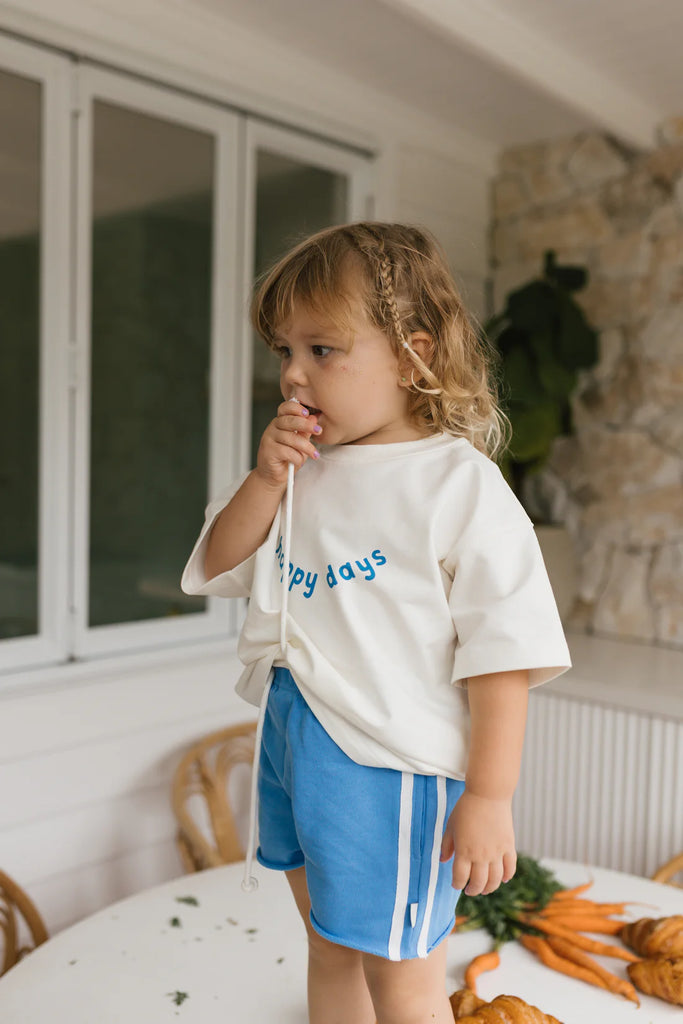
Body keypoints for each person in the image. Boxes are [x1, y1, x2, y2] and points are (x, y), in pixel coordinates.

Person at [181, 222, 571, 1024]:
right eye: (283, 350)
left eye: (321, 350)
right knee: (329, 946)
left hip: (387, 767)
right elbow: (220, 562)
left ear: (411, 354)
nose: (291, 373)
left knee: (401, 977)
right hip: (293, 740)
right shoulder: (296, 470)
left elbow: (502, 653)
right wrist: (263, 479)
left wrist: (489, 797)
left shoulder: (456, 483)